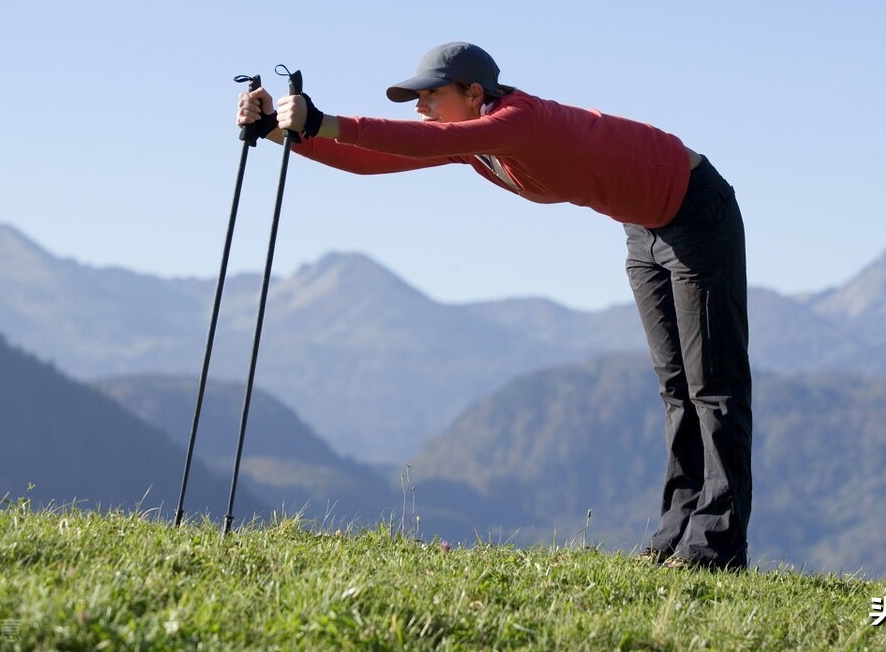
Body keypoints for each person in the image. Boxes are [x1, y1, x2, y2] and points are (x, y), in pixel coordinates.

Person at [236, 42, 752, 571]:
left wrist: (324, 120)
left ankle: (717, 544)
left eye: (430, 96)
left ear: (474, 93)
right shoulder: (476, 145)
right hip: (643, 227)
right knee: (675, 386)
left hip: (698, 211)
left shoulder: (516, 119)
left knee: (713, 386)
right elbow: (380, 160)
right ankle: (676, 535)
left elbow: (415, 138)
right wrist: (284, 135)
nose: (420, 108)